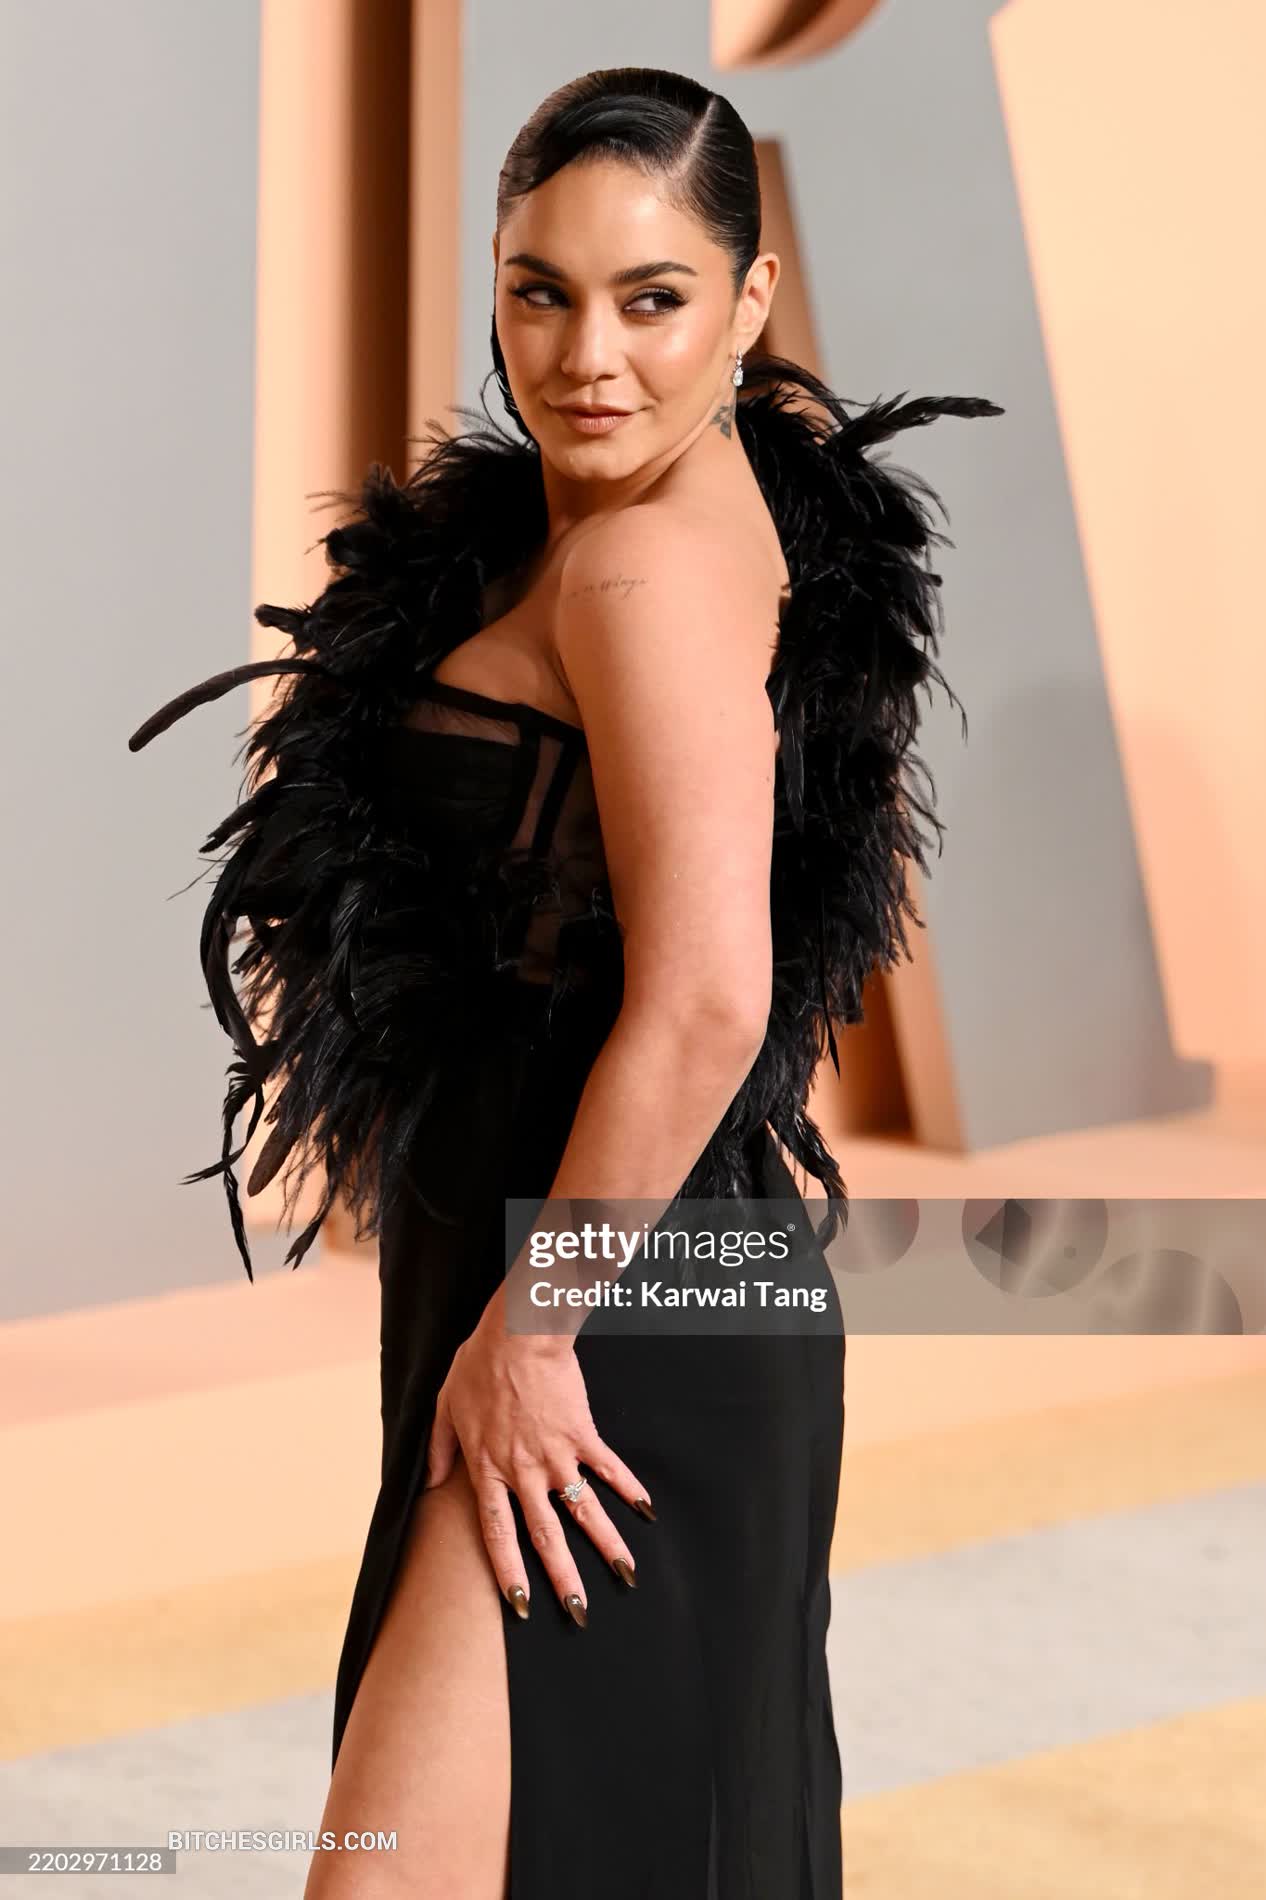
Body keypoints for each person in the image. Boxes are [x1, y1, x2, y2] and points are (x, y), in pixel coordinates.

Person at [128, 64, 1001, 1900]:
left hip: (608, 1306)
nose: (586, 356)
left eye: (651, 298)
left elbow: (707, 999)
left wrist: (531, 1337)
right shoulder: (692, 513)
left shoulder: (638, 576)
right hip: (631, 1254)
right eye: (540, 292)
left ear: (750, 304)